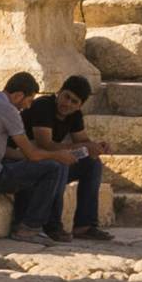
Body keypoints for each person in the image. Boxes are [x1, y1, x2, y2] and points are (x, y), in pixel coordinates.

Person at [0, 71, 78, 237]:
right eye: (29, 101)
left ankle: (20, 223)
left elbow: (7, 151)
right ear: (18, 95)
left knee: (31, 169)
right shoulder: (8, 110)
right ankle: (31, 227)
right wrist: (57, 155)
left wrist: (33, 158)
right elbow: (32, 154)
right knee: (53, 168)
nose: (28, 107)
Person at [23, 75, 113, 235]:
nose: (67, 104)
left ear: (80, 106)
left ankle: (84, 225)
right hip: (30, 161)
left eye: (74, 102)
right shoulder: (43, 106)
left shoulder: (74, 115)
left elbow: (82, 140)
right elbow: (46, 145)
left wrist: (95, 146)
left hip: (50, 160)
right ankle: (52, 225)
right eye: (66, 97)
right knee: (60, 164)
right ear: (59, 92)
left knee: (92, 163)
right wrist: (84, 146)